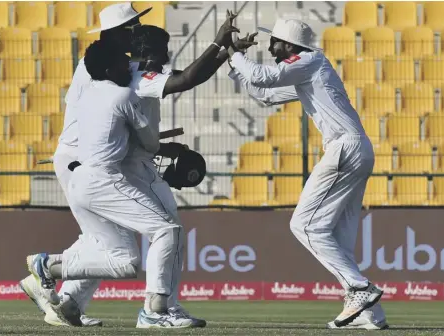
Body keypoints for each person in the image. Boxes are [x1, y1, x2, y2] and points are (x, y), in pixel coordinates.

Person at [24, 11, 243, 329]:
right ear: (122, 36)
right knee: (163, 231)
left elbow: (181, 76)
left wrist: (223, 51)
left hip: (99, 162)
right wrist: (220, 45)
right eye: (133, 27)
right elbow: (183, 81)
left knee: (118, 252)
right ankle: (158, 308)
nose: (136, 30)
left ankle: (66, 296)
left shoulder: (122, 67)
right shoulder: (122, 73)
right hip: (99, 164)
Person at [226, 19, 388, 330]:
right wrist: (234, 65)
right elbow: (265, 95)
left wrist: (234, 53)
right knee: (338, 239)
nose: (271, 48)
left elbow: (262, 75)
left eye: (274, 42)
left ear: (288, 44)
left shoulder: (309, 60)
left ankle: (360, 288)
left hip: (345, 148)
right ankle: (371, 315)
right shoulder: (307, 71)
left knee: (304, 225)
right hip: (356, 148)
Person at [19, 2, 151, 327]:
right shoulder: (102, 65)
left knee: (101, 242)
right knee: (113, 247)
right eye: (130, 29)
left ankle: (67, 304)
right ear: (113, 35)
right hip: (81, 160)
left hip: (82, 158)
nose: (136, 34)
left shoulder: (102, 62)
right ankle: (45, 269)